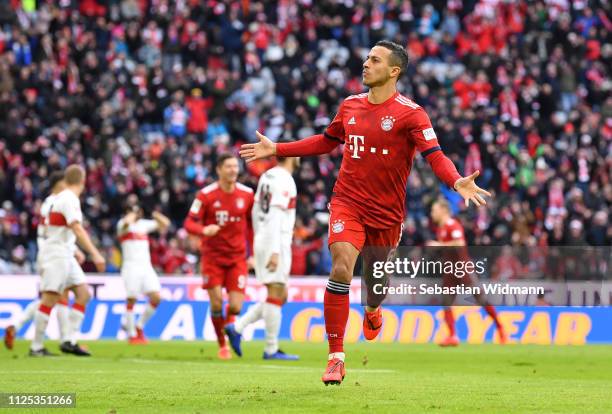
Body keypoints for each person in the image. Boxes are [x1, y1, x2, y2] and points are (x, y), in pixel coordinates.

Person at [240, 40, 491, 385]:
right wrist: (278, 148)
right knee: (341, 267)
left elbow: (434, 155)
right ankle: (336, 358)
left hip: (387, 215)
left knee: (373, 288)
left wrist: (456, 181)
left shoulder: (411, 113)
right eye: (367, 58)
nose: (366, 64)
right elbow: (327, 141)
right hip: (348, 202)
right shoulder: (350, 106)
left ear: (393, 71)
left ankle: (373, 310)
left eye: (375, 60)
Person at [225, 146, 300, 360]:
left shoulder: (267, 175)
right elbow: (275, 214)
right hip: (275, 240)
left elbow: (256, 211)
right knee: (276, 292)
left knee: (280, 294)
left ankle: (237, 328)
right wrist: (274, 249)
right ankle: (270, 349)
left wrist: (260, 239)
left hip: (265, 237)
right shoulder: (285, 179)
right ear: (292, 155)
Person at [29, 165, 105, 356]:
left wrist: (75, 250)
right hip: (56, 254)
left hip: (65, 253)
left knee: (83, 293)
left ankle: (68, 340)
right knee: (50, 298)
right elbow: (77, 228)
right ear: (83, 179)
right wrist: (94, 253)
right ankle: (36, 346)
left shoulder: (62, 198)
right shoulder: (69, 199)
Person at [3, 172, 84, 350]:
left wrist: (74, 249)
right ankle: (62, 341)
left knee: (56, 297)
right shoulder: (56, 202)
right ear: (59, 183)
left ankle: (20, 326)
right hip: (54, 253)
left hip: (57, 251)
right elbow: (54, 231)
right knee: (54, 297)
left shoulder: (51, 202)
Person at [184, 154, 254, 360]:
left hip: (237, 258)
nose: (233, 170)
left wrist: (253, 253)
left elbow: (252, 226)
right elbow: (189, 223)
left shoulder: (248, 194)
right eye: (228, 166)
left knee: (235, 306)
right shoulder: (205, 195)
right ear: (219, 170)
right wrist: (204, 230)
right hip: (212, 257)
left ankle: (230, 331)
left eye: (235, 166)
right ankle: (222, 345)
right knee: (216, 303)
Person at [427, 199, 506, 346]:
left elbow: (460, 243)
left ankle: (501, 328)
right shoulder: (441, 228)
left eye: (434, 210)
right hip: (450, 270)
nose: (432, 214)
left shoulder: (452, 225)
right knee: (446, 302)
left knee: (480, 299)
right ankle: (452, 336)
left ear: (443, 210)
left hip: (463, 269)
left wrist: (439, 244)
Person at [117, 204, 170, 344]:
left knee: (156, 298)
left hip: (146, 267)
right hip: (130, 266)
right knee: (132, 299)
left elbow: (166, 223)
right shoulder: (122, 224)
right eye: (134, 211)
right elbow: (126, 223)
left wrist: (154, 213)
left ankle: (139, 326)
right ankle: (132, 334)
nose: (137, 213)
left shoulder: (143, 225)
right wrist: (132, 214)